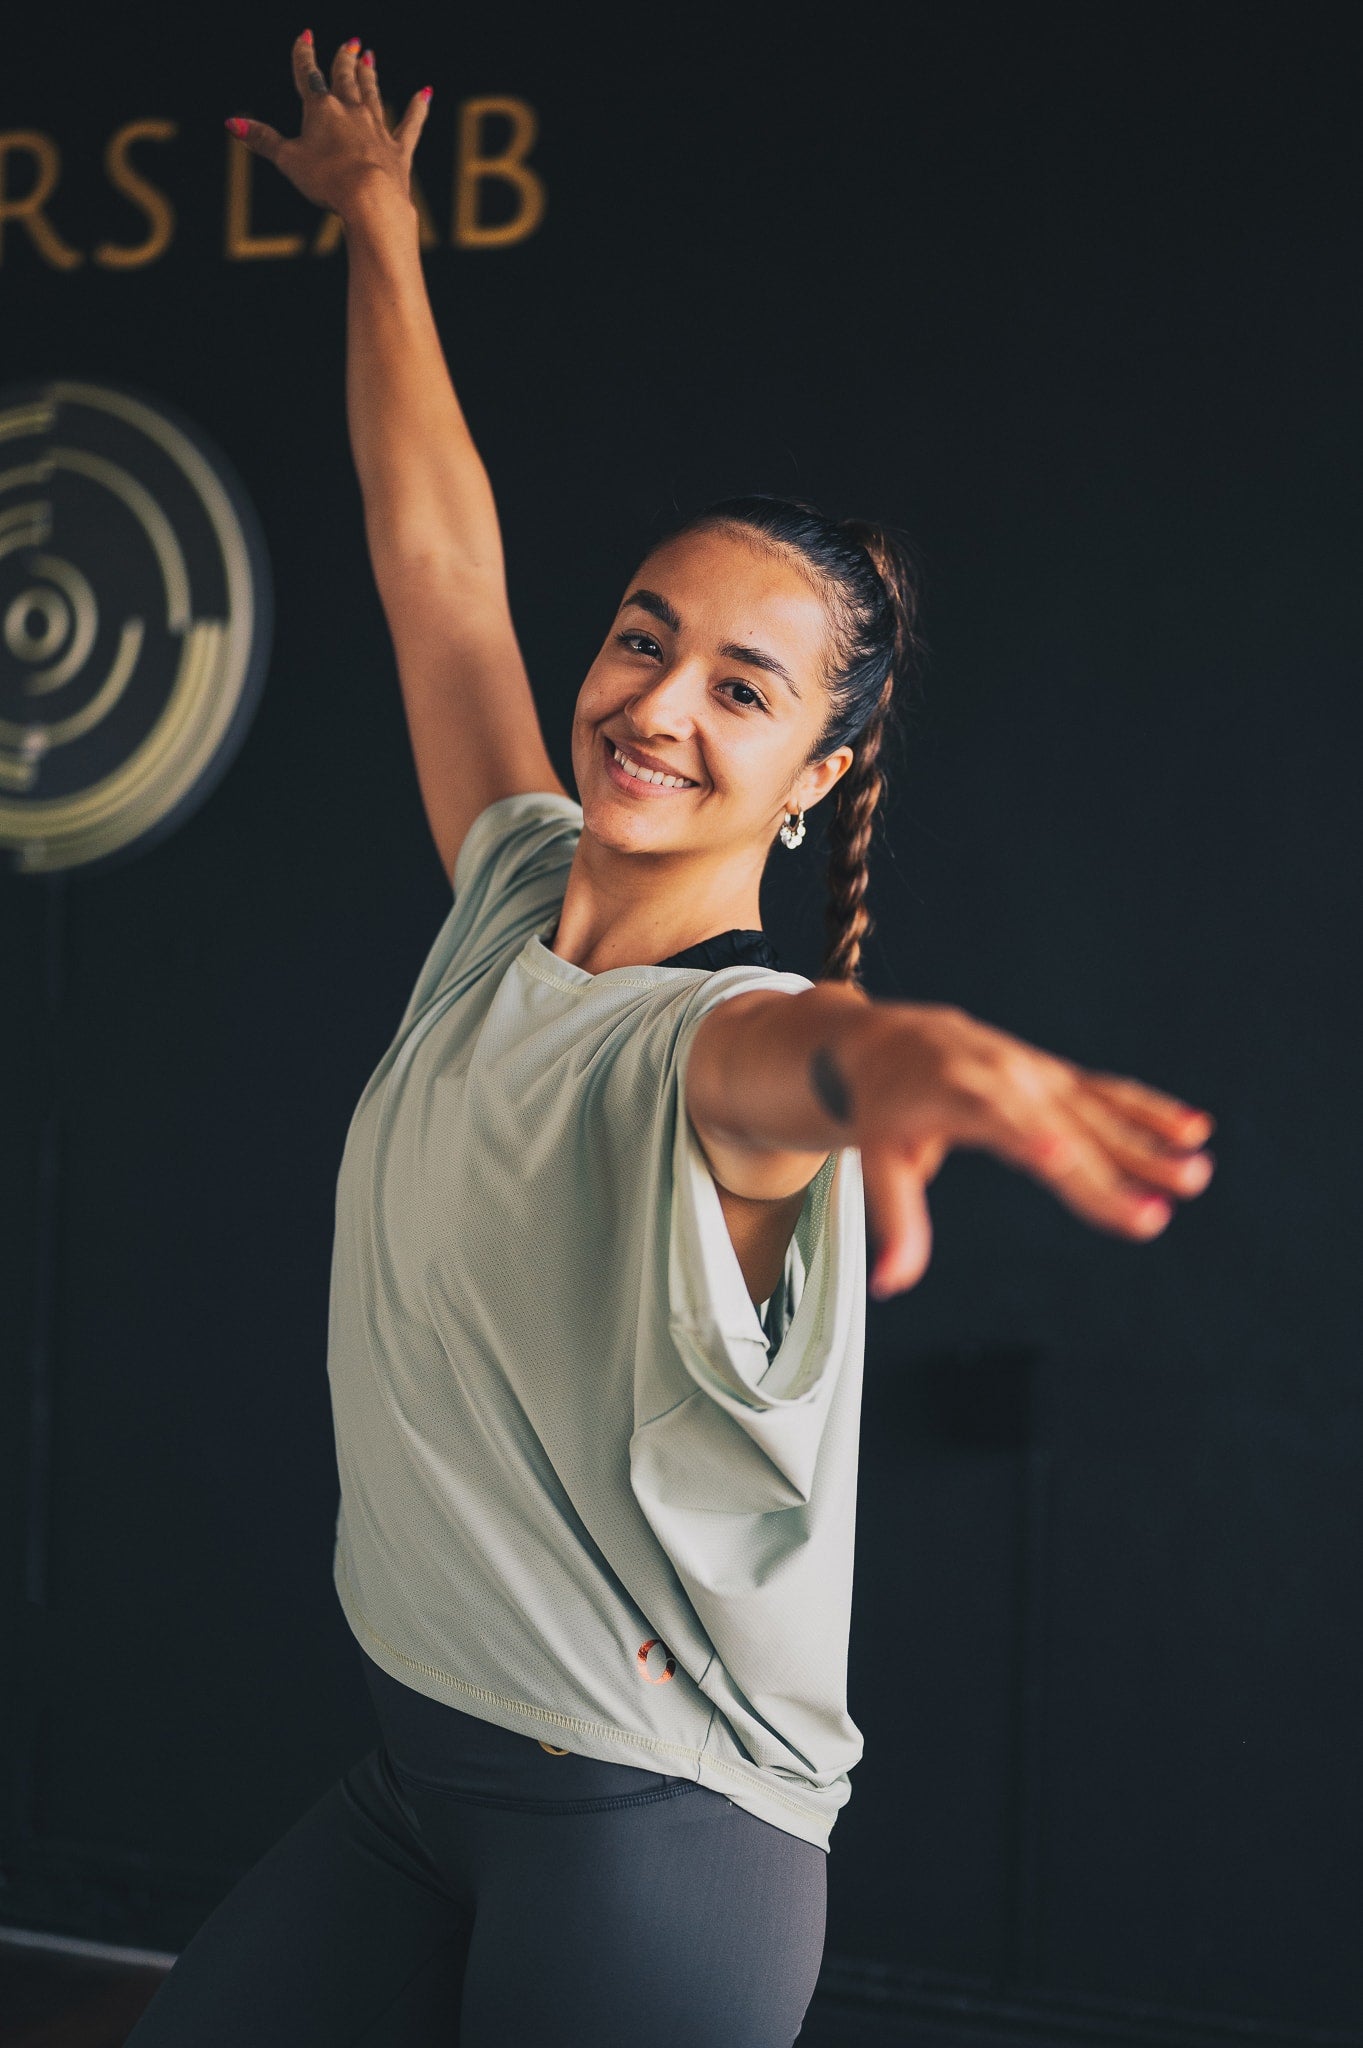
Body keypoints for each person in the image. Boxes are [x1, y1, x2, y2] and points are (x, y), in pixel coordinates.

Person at [126, 35, 1216, 2048]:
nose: (658, 707)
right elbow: (434, 557)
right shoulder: (506, 888)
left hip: (652, 1839)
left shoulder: (725, 1041)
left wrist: (926, 1067)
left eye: (742, 687)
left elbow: (819, 1063)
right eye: (642, 636)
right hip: (427, 1778)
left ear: (813, 775)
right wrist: (379, 223)